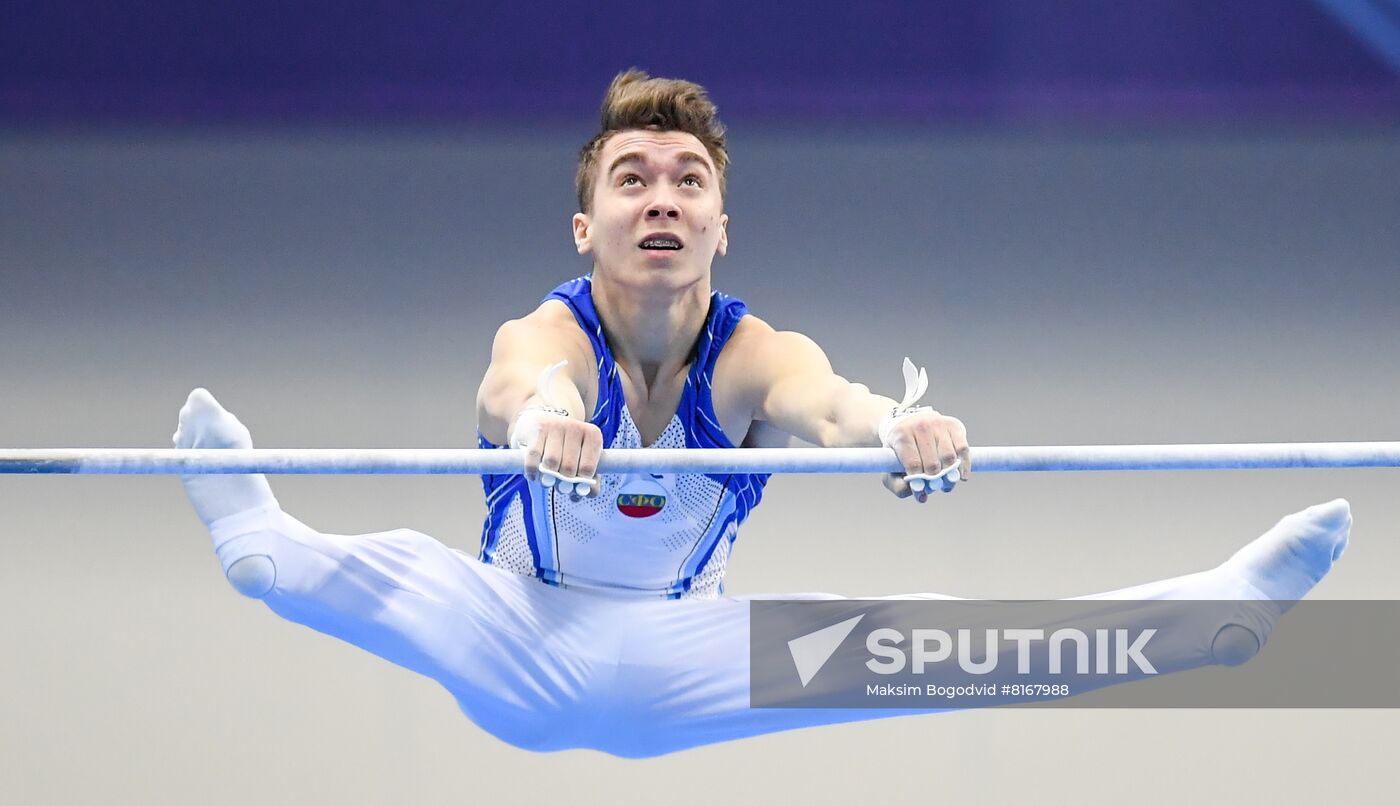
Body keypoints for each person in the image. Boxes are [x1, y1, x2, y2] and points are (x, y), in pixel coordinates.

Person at [174, 69, 1352, 757]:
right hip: (511, 628)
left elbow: (826, 404)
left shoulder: (749, 354)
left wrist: (895, 427)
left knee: (951, 642)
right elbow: (521, 380)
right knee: (378, 564)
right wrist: (540, 420)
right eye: (629, 177)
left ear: (720, 227)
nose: (661, 198)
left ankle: (1212, 619)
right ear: (583, 227)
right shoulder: (541, 336)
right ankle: (263, 544)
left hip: (681, 657)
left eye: (688, 180)